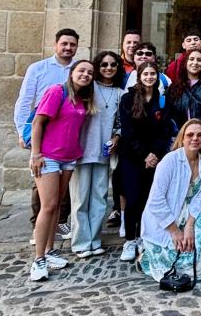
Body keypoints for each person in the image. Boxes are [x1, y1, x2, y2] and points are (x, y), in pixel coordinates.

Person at [27, 58, 96, 281]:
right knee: (47, 206)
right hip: (48, 156)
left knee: (57, 205)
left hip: (69, 156)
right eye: (81, 70)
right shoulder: (57, 91)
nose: (85, 75)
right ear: (72, 72)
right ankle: (38, 259)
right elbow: (38, 122)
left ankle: (49, 251)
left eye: (89, 72)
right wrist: (35, 154)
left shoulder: (84, 98)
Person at [139, 119, 201, 282]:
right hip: (166, 217)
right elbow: (155, 201)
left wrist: (189, 225)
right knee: (180, 249)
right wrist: (175, 231)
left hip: (189, 212)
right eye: (190, 135)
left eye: (200, 135)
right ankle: (154, 256)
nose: (195, 138)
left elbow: (200, 196)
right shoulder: (169, 161)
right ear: (182, 138)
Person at [13, 27, 79, 244]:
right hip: (42, 131)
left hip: (66, 134)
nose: (68, 48)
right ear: (56, 44)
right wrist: (23, 130)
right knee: (40, 182)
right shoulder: (39, 68)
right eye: (64, 44)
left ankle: (59, 222)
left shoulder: (78, 70)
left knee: (63, 186)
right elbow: (25, 101)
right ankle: (37, 226)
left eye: (72, 44)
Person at [118, 60, 174, 262]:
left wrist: (154, 154)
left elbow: (165, 131)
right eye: (146, 74)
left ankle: (143, 236)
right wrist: (144, 155)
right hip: (133, 157)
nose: (149, 77)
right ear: (139, 76)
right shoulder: (128, 99)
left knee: (147, 199)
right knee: (132, 199)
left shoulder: (162, 101)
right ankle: (130, 239)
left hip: (154, 158)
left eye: (153, 74)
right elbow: (128, 131)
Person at [69, 51, 124, 258]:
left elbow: (120, 123)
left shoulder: (119, 93)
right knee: (81, 198)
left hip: (103, 152)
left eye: (112, 65)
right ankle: (80, 242)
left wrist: (116, 140)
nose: (108, 68)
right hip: (82, 151)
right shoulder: (87, 89)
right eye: (104, 65)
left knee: (99, 198)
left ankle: (94, 239)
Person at [108, 30, 140, 230]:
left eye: (136, 42)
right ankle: (117, 208)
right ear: (123, 45)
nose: (133, 46)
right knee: (118, 171)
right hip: (118, 127)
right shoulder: (116, 68)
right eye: (129, 42)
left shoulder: (147, 71)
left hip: (136, 131)